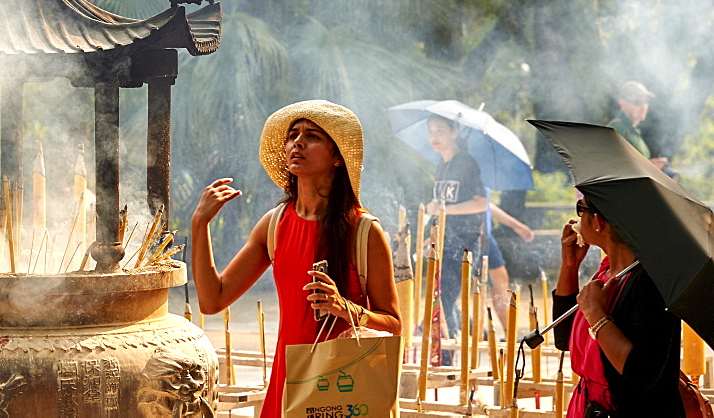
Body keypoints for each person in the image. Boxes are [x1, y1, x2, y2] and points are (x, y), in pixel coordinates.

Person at [191, 100, 401, 417]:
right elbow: (212, 299)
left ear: (337, 158)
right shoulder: (274, 224)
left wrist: (347, 309)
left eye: (313, 136)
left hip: (344, 390)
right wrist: (200, 225)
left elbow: (394, 325)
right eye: (293, 135)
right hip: (288, 383)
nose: (297, 142)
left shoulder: (364, 231)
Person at [553, 193, 683, 416]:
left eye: (580, 210)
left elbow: (641, 371)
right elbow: (565, 339)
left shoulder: (652, 282)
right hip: (591, 406)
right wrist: (569, 265)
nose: (574, 220)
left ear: (599, 222)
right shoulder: (607, 270)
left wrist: (596, 314)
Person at [425, 115, 532, 337]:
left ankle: (504, 336)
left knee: (491, 286)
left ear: (455, 133)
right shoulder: (443, 164)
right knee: (448, 294)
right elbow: (450, 204)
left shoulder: (466, 163)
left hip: (472, 237)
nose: (434, 136)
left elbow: (481, 203)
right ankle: (459, 341)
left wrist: (515, 225)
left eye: (440, 131)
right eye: (431, 131)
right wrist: (432, 231)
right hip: (451, 237)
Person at [608, 80, 670, 171]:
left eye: (646, 101)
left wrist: (651, 164)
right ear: (622, 103)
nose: (644, 106)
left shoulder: (634, 132)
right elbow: (613, 167)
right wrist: (649, 167)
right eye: (638, 102)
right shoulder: (617, 129)